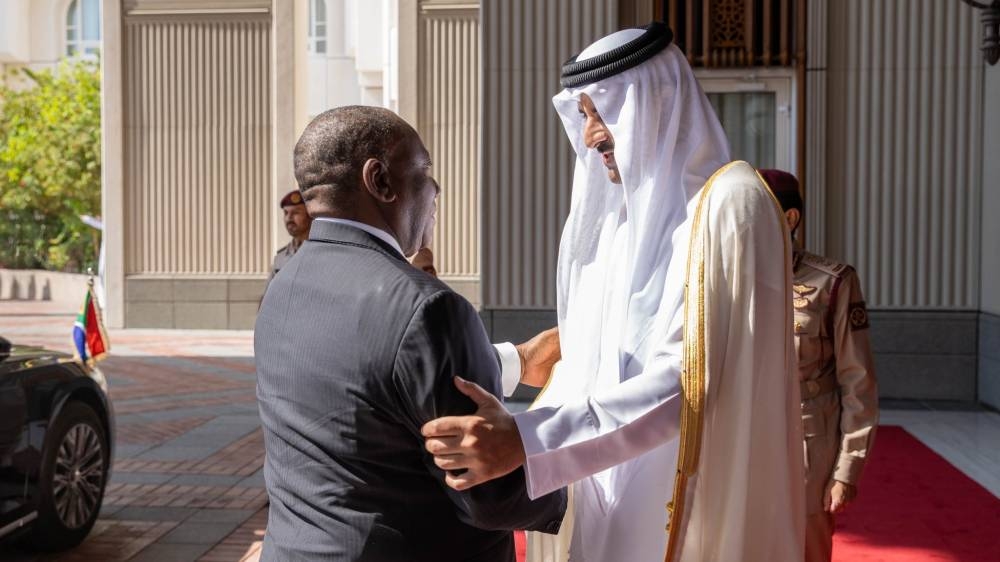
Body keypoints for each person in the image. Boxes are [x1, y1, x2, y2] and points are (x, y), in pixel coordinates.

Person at [421, 23, 805, 561]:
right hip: (597, 488)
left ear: (660, 100)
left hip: (684, 497)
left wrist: (529, 442)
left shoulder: (730, 207)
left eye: (602, 114)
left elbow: (692, 381)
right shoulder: (620, 226)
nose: (591, 135)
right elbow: (579, 362)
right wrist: (507, 369)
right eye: (583, 117)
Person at [255, 106, 566, 561]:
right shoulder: (430, 307)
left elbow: (372, 388)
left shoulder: (284, 286)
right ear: (380, 180)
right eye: (425, 170)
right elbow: (491, 496)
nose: (436, 189)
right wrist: (579, 484)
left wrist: (516, 359)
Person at [760, 168, 880, 562]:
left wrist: (847, 470)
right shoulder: (728, 282)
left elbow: (857, 382)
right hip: (744, 438)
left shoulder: (833, 283)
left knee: (806, 549)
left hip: (808, 440)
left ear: (789, 218)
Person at [269, 189, 313, 281]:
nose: (289, 218)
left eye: (296, 212)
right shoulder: (280, 258)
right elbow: (268, 295)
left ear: (309, 216)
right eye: (286, 213)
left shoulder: (320, 252)